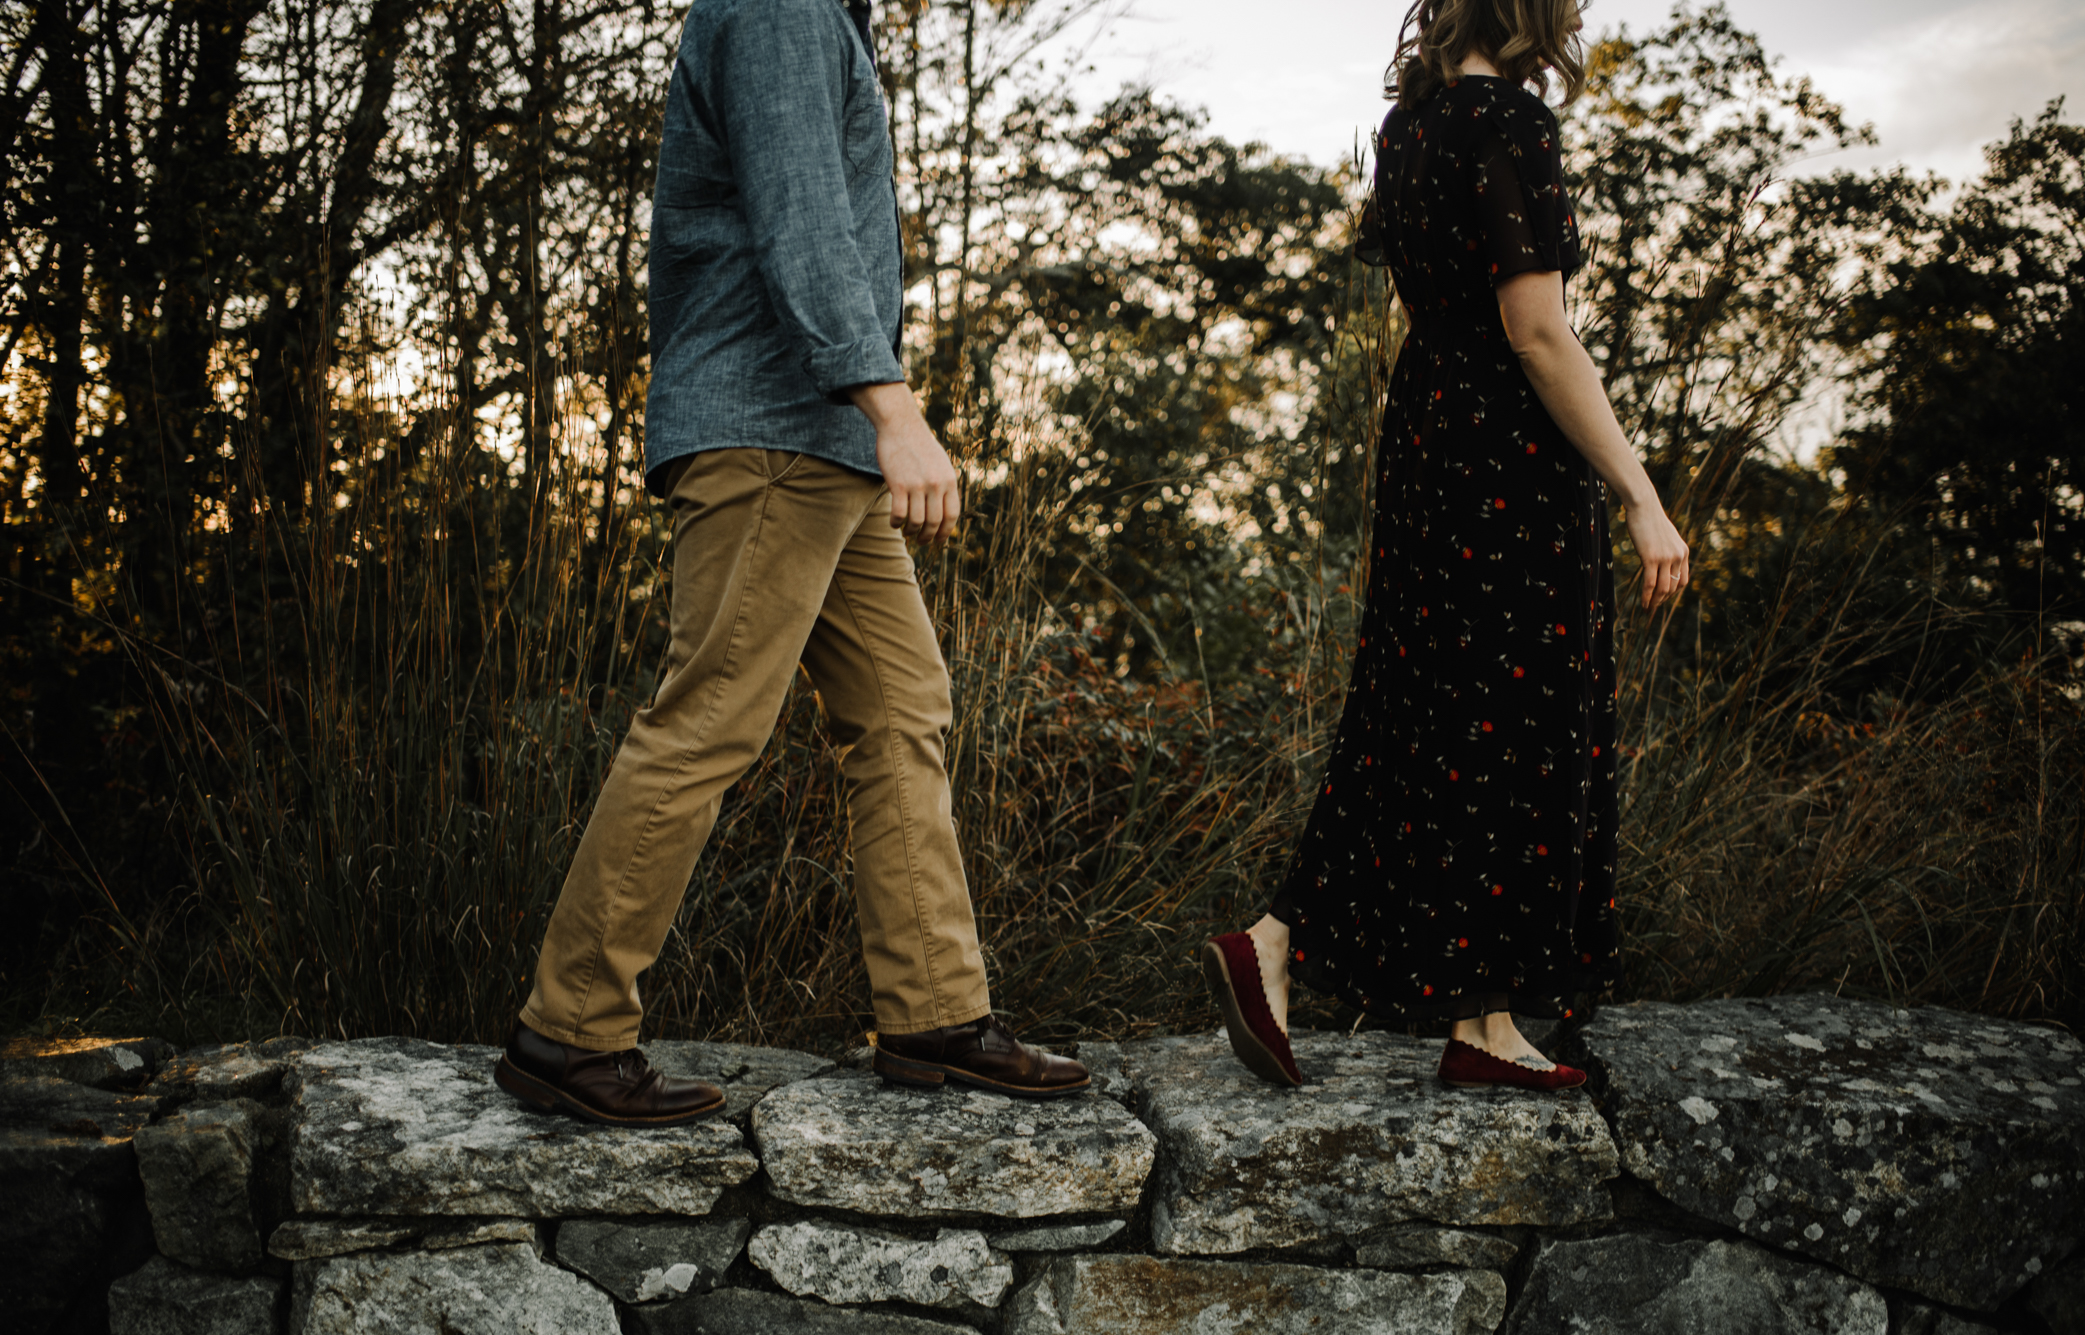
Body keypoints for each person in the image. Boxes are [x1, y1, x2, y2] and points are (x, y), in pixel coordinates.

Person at [494, 0, 1088, 1126]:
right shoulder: (777, 4)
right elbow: (802, 219)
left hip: (821, 440)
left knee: (904, 706)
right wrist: (895, 407)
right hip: (775, 425)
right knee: (710, 716)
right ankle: (567, 1031)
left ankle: (934, 1013)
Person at [1203, 0, 1689, 1091]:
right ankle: (1461, 1013)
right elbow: (1538, 329)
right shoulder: (1512, 122)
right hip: (1509, 449)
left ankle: (1439, 1003)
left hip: (1428, 430)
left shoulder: (1409, 128)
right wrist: (1640, 493)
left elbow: (1435, 297)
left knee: (1420, 710)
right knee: (1518, 722)